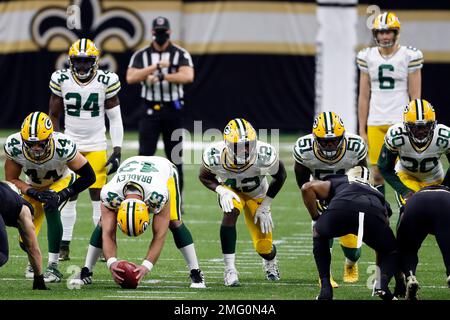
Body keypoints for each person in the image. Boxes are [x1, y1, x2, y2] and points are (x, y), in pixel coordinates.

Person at [70, 155, 206, 289]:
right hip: (131, 166)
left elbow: (160, 235)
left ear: (148, 209)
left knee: (174, 221)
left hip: (164, 169)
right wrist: (111, 263)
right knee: (103, 223)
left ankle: (196, 271)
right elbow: (108, 234)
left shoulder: (158, 195)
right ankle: (87, 270)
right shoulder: (110, 194)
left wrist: (146, 266)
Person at [48, 38, 123, 261]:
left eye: (86, 61)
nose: (81, 66)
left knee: (98, 196)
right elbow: (53, 114)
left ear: (95, 61)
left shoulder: (106, 80)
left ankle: (99, 243)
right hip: (71, 146)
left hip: (97, 144)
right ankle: (64, 245)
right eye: (77, 62)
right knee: (69, 196)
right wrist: (56, 141)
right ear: (71, 62)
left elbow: (115, 118)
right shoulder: (61, 79)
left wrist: (117, 149)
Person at [4, 111, 96, 282]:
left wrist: (62, 194)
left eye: (40, 143)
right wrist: (32, 192)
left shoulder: (62, 145)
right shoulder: (14, 145)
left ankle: (53, 267)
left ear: (50, 137)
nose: (36, 148)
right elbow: (11, 179)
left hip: (61, 181)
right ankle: (34, 261)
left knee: (51, 205)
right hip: (32, 186)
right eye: (31, 144)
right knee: (25, 236)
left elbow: (90, 177)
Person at [199, 118, 287, 286]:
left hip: (257, 194)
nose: (244, 149)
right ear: (227, 145)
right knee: (230, 210)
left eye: (248, 144)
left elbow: (280, 176)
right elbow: (204, 176)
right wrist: (221, 190)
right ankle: (230, 270)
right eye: (238, 146)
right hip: (231, 192)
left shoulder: (264, 154)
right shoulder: (215, 155)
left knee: (264, 248)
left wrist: (266, 204)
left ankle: (270, 260)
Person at [301, 166, 398, 300]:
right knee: (391, 250)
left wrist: (316, 218)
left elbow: (306, 188)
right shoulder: (378, 194)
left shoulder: (339, 181)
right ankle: (382, 286)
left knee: (319, 234)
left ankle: (325, 288)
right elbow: (384, 233)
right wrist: (381, 276)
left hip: (341, 208)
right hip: (372, 211)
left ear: (348, 175)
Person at [293, 112, 367, 286]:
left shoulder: (355, 145)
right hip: (319, 193)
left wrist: (357, 197)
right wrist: (313, 199)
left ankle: (351, 263)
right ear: (315, 138)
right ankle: (324, 276)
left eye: (334, 140)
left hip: (347, 194)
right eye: (325, 141)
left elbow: (362, 173)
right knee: (321, 232)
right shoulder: (304, 148)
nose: (330, 145)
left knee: (353, 250)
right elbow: (301, 178)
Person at [126, 16, 194, 201]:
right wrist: (154, 68)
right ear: (152, 33)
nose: (161, 35)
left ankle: (177, 201)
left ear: (170, 33)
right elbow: (131, 77)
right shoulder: (142, 55)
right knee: (144, 157)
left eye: (164, 32)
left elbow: (188, 76)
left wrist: (164, 77)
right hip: (150, 111)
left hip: (173, 110)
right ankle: (140, 197)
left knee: (175, 158)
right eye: (158, 32)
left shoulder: (180, 53)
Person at [357, 11, 423, 196]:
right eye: (380, 32)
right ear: (375, 34)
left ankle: (407, 210)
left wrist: (414, 125)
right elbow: (363, 95)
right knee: (377, 173)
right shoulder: (367, 56)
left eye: (388, 32)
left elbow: (415, 95)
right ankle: (381, 212)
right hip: (376, 121)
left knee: (403, 172)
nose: (384, 36)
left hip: (400, 120)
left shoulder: (409, 55)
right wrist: (362, 129)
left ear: (396, 33)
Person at [378, 99, 450, 213]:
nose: (421, 131)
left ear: (433, 124)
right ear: (406, 125)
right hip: (406, 175)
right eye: (416, 127)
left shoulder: (443, 136)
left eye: (426, 126)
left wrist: (446, 186)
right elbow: (384, 167)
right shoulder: (396, 136)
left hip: (434, 177)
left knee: (442, 212)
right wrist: (404, 190)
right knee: (409, 210)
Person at [396, 185, 450, 300]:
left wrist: (399, 280)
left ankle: (410, 277)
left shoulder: (415, 195)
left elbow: (401, 222)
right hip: (445, 203)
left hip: (416, 203)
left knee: (408, 250)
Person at [0, 181, 48, 290]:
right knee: (1, 255)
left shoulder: (6, 193)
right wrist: (39, 280)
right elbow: (33, 248)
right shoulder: (24, 209)